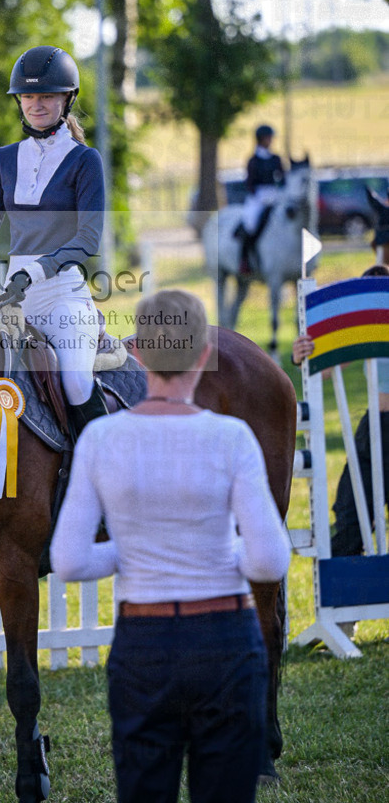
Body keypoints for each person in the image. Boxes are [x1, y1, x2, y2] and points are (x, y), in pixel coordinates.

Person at [50, 289, 290, 803]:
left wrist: (134, 550)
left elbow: (67, 562)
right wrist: (214, 551)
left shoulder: (99, 440)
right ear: (204, 356)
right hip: (225, 637)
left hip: (144, 643)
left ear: (136, 353)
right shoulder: (233, 438)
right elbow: (270, 559)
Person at [0, 44, 108, 439]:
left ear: (67, 100)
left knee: (77, 383)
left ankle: (104, 467)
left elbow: (88, 238)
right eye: (28, 96)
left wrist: (38, 268)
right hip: (14, 298)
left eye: (47, 96)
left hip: (62, 295)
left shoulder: (85, 161)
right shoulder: (4, 159)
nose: (36, 104)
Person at [292, 264, 389, 557]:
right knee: (349, 513)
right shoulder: (363, 326)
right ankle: (350, 582)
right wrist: (302, 356)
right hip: (376, 427)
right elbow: (324, 369)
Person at [236, 124, 285, 274]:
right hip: (258, 196)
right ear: (260, 139)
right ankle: (244, 260)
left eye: (270, 137)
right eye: (267, 138)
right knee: (250, 224)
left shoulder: (276, 159)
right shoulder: (253, 161)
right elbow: (249, 183)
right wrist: (259, 195)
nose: (270, 140)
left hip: (275, 195)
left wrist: (279, 191)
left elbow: (283, 179)